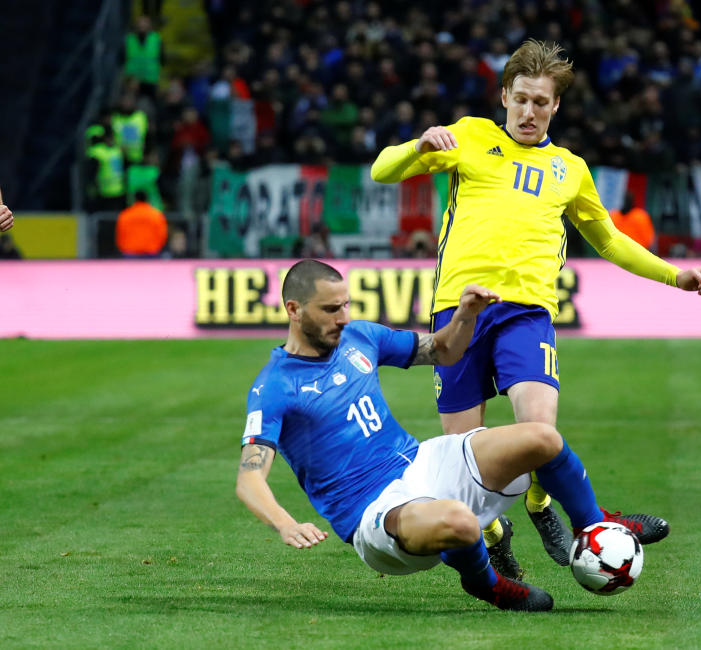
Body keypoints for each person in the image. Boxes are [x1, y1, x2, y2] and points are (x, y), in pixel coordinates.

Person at [370, 39, 701, 577]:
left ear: (556, 107)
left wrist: (675, 275)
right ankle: (493, 533)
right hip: (456, 314)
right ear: (504, 95)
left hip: (526, 313)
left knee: (539, 431)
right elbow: (382, 171)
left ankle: (558, 510)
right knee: (464, 454)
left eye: (541, 103)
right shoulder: (469, 136)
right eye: (521, 99)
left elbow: (610, 240)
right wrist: (418, 145)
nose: (529, 112)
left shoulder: (569, 169)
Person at [235, 260, 669, 612]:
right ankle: (491, 586)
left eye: (346, 305)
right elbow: (249, 478)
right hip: (374, 511)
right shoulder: (274, 387)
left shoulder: (360, 338)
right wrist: (285, 523)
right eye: (331, 310)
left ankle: (591, 525)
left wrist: (465, 315)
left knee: (542, 438)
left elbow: (442, 350)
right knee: (460, 521)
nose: (343, 318)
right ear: (293, 310)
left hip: (420, 462)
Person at [116, 190, 168, 257]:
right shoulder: (156, 215)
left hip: (130, 251)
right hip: (151, 252)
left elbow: (120, 233)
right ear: (147, 199)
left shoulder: (125, 215)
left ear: (135, 199)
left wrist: (123, 247)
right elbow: (162, 234)